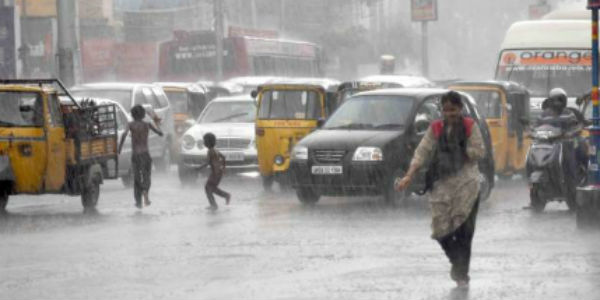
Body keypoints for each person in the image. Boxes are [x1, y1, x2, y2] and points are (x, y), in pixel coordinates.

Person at [395, 91, 485, 287]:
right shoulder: (435, 128)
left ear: (460, 109)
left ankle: (462, 274)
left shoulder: (470, 126)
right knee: (440, 230)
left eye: (453, 110)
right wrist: (409, 175)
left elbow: (479, 151)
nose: (449, 114)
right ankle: (457, 263)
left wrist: (460, 150)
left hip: (466, 183)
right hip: (441, 183)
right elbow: (422, 151)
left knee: (463, 231)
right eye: (445, 110)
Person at [118, 105, 163, 209]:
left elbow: (124, 135)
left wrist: (119, 149)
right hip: (145, 154)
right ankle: (145, 192)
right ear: (143, 115)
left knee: (137, 178)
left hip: (136, 155)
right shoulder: (147, 124)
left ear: (132, 115)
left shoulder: (130, 125)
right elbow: (160, 133)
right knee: (147, 177)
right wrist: (156, 121)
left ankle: (138, 202)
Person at [199, 133, 231, 210]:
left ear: (208, 142)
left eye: (205, 141)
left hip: (215, 173)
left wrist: (198, 168)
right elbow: (223, 157)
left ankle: (214, 205)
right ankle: (226, 195)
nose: (204, 143)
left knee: (208, 188)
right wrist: (223, 167)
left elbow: (207, 162)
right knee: (212, 188)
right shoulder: (215, 150)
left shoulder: (210, 151)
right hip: (218, 172)